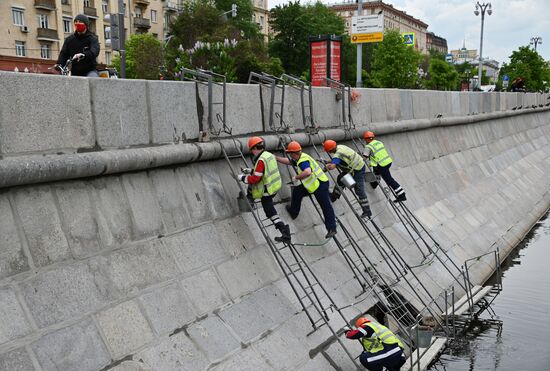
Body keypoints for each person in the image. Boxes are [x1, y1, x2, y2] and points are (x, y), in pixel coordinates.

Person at [276, 141, 337, 239]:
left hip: (319, 185)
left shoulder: (303, 161)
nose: (290, 156)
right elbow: (289, 162)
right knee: (297, 191)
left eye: (290, 154)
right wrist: (276, 158)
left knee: (325, 206)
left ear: (293, 153)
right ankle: (293, 211)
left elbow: (308, 172)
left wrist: (297, 177)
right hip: (313, 185)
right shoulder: (301, 157)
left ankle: (331, 228)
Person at [236, 137, 291, 243]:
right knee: (269, 209)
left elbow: (256, 178)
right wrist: (251, 170)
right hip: (274, 187)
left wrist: (242, 178)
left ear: (255, 148)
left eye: (252, 150)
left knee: (269, 211)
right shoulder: (268, 155)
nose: (252, 152)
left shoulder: (260, 160)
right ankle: (284, 230)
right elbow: (264, 171)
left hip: (267, 190)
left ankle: (284, 231)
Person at [323, 140, 372, 218]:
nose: (329, 152)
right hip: (354, 167)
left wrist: (326, 168)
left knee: (359, 190)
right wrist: (327, 161)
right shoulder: (341, 147)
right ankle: (334, 196)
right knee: (340, 178)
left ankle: (367, 211)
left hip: (358, 169)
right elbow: (338, 159)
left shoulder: (338, 153)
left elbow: (333, 165)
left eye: (328, 151)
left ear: (330, 149)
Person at [363, 131, 406, 202]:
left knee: (389, 180)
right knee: (376, 173)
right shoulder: (379, 142)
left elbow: (364, 158)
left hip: (381, 165)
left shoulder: (368, 147)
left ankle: (402, 195)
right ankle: (374, 183)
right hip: (387, 162)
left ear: (366, 139)